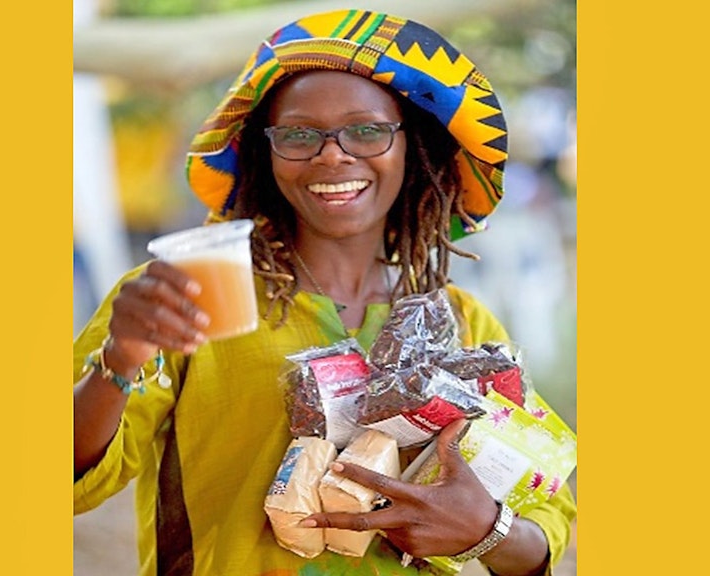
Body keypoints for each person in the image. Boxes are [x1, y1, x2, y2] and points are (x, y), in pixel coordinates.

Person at [74, 9, 577, 576]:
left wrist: (487, 531)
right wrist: (118, 362)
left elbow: (543, 524)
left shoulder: (464, 325)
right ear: (265, 153)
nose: (333, 155)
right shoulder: (186, 299)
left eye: (366, 130)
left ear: (413, 148)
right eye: (298, 134)